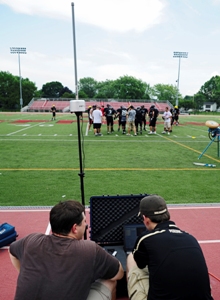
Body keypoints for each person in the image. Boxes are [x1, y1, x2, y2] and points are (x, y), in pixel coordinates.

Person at [9, 200, 124, 300]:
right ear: (74, 228)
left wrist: (24, 271)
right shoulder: (89, 249)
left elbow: (12, 251)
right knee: (110, 281)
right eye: (84, 221)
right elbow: (118, 274)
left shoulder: (31, 240)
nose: (86, 224)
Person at [126, 195, 213, 300]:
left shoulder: (145, 238)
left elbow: (140, 264)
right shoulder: (191, 238)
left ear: (146, 219)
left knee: (131, 258)